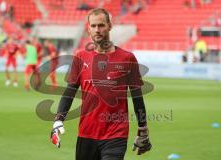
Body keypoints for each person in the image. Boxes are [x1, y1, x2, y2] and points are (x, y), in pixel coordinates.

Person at [50, 8, 152, 160]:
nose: (97, 30)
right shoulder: (80, 57)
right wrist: (58, 120)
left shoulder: (127, 58)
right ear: (88, 28)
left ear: (110, 26)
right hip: (86, 133)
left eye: (101, 25)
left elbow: (137, 97)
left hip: (116, 135)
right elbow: (70, 91)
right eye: (93, 26)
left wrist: (142, 128)